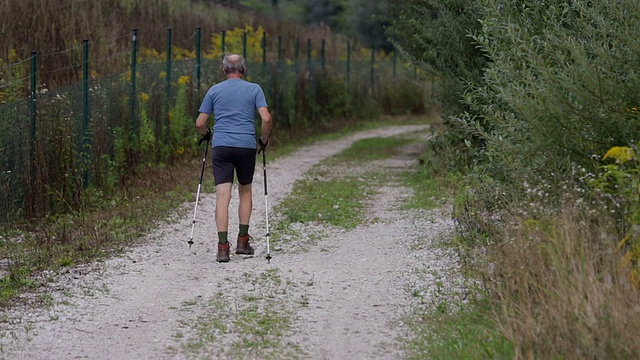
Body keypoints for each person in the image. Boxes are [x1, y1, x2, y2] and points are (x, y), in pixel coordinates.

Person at [195, 54, 272, 263]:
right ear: (244, 70)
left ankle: (222, 248)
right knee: (245, 191)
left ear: (224, 70)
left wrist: (207, 134)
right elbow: (266, 118)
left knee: (223, 195)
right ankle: (242, 241)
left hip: (221, 146)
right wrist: (264, 139)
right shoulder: (254, 89)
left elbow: (200, 122)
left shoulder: (214, 90)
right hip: (246, 146)